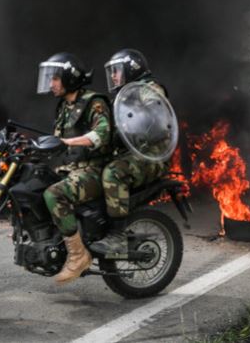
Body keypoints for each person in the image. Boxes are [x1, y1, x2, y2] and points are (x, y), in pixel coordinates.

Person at [38, 52, 112, 284]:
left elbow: (102, 133)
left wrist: (69, 142)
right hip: (70, 168)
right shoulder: (64, 107)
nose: (51, 84)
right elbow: (57, 140)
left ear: (69, 78)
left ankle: (79, 256)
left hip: (93, 170)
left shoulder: (94, 102)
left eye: (55, 78)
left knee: (54, 194)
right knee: (33, 184)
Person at [91, 49, 170, 256]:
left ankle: (117, 237)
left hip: (152, 157)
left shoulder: (148, 89)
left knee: (112, 174)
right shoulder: (125, 95)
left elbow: (156, 119)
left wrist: (134, 123)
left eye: (117, 71)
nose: (114, 76)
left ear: (131, 69)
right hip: (132, 154)